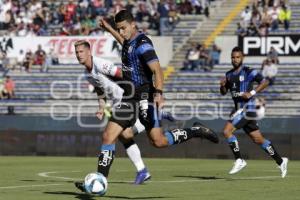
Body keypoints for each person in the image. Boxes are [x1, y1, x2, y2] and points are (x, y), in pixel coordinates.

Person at [75, 10, 219, 193]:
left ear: (133, 24)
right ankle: (100, 180)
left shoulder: (144, 44)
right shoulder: (127, 42)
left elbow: (157, 70)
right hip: (129, 98)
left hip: (145, 97)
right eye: (120, 29)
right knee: (108, 135)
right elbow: (124, 42)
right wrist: (110, 29)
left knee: (158, 141)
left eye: (124, 28)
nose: (122, 32)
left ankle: (196, 130)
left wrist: (158, 93)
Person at [73, 40, 151, 185]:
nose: (78, 55)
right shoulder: (87, 73)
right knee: (124, 135)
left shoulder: (99, 64)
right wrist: (101, 107)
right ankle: (142, 170)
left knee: (109, 135)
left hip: (127, 98)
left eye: (81, 51)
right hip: (118, 102)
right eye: (76, 52)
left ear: (89, 52)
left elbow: (122, 74)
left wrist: (139, 96)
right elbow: (99, 89)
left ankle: (100, 180)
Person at [219, 46, 288, 178]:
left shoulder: (248, 71)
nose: (235, 59)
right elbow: (223, 93)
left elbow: (265, 81)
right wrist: (222, 86)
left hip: (247, 107)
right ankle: (281, 161)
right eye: (233, 57)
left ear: (242, 57)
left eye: (238, 57)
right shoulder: (228, 75)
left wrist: (251, 92)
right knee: (258, 139)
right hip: (239, 108)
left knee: (227, 131)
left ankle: (239, 160)